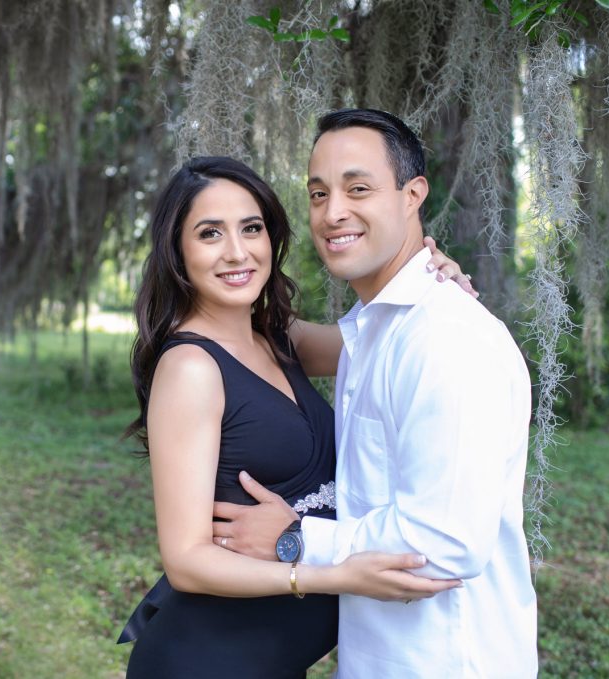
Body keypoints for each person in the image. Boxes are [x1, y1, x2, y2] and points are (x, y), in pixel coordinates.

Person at [213, 109, 538, 678]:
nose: (332, 211)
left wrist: (295, 539)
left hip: (445, 661)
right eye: (318, 194)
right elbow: (267, 338)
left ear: (413, 194)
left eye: (358, 188)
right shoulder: (375, 330)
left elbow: (444, 545)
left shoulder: (447, 339)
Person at [120, 156, 473, 678]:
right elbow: (187, 560)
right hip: (207, 660)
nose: (237, 252)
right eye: (210, 233)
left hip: (272, 662)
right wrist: (333, 574)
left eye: (252, 228)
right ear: (178, 250)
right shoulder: (191, 367)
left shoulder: (278, 335)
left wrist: (433, 282)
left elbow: (384, 341)